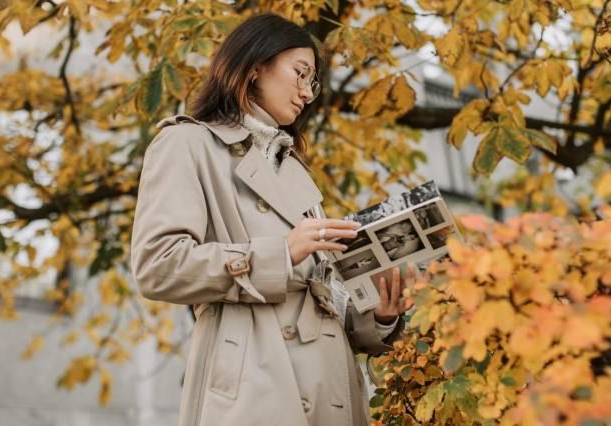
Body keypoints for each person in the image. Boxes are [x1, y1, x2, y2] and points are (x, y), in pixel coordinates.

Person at [131, 13, 414, 426]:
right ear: (255, 65)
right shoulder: (186, 143)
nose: (306, 93)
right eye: (300, 73)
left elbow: (322, 301)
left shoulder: (295, 169)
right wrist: (280, 254)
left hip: (328, 389)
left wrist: (379, 315)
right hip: (257, 386)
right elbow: (157, 266)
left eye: (312, 82)